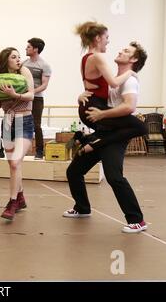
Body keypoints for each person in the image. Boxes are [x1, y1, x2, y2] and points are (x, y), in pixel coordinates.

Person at [63, 41, 148, 233]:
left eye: (126, 51)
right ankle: (82, 208)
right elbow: (98, 98)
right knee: (74, 171)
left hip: (117, 136)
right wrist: (82, 95)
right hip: (104, 132)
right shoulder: (114, 79)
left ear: (134, 59)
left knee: (114, 177)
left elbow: (129, 107)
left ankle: (137, 220)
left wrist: (101, 115)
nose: (120, 50)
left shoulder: (130, 80)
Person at [73, 21, 146, 155]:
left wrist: (80, 97)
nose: (108, 41)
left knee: (110, 130)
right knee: (141, 127)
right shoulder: (98, 57)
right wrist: (130, 73)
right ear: (98, 38)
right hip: (95, 107)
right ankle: (90, 142)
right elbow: (113, 83)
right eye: (106, 37)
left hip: (88, 106)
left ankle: (83, 139)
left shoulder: (86, 58)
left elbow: (92, 86)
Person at [0, 47, 35, 221]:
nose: (18, 59)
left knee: (14, 163)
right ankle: (20, 198)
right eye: (14, 57)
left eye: (19, 57)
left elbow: (31, 96)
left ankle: (12, 202)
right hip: (7, 122)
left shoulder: (24, 71)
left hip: (24, 121)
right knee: (13, 164)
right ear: (6, 60)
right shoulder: (0, 78)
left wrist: (15, 95)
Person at [23, 38, 52, 160]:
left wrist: (31, 92)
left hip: (37, 99)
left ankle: (40, 151)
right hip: (23, 98)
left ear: (36, 49)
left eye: (28, 47)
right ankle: (21, 150)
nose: (26, 48)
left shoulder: (44, 65)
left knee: (36, 125)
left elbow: (44, 85)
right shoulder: (24, 64)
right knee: (23, 124)